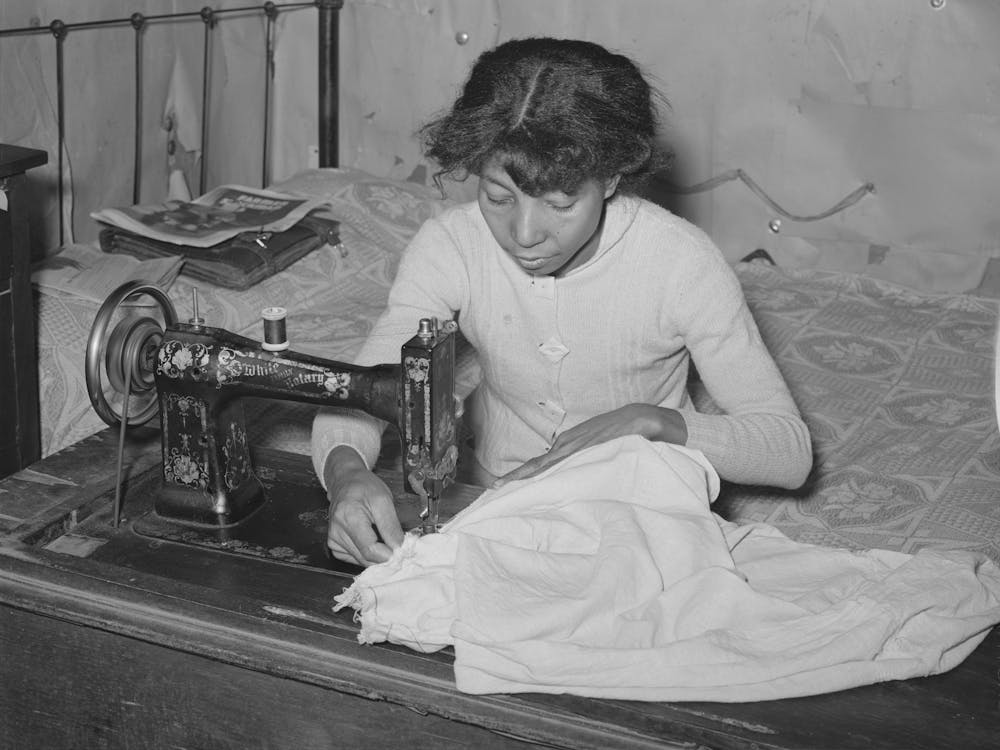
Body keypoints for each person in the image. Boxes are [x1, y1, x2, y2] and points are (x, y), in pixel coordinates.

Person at [312, 37, 812, 567]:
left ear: (613, 178)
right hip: (494, 492)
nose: (524, 234)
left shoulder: (681, 264)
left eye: (560, 203)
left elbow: (789, 451)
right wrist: (345, 473)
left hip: (643, 509)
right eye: (498, 197)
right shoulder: (453, 245)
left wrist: (653, 422)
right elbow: (365, 386)